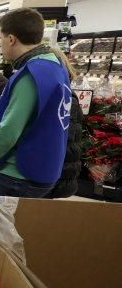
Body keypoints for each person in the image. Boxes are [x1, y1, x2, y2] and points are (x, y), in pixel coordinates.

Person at [0, 8, 71, 198]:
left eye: (1, 38)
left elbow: (9, 131)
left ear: (12, 39)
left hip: (18, 174)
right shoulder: (55, 66)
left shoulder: (31, 74)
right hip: (45, 167)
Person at [47, 48, 84, 199]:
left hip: (59, 173)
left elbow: (65, 138)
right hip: (60, 170)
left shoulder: (67, 97)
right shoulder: (65, 93)